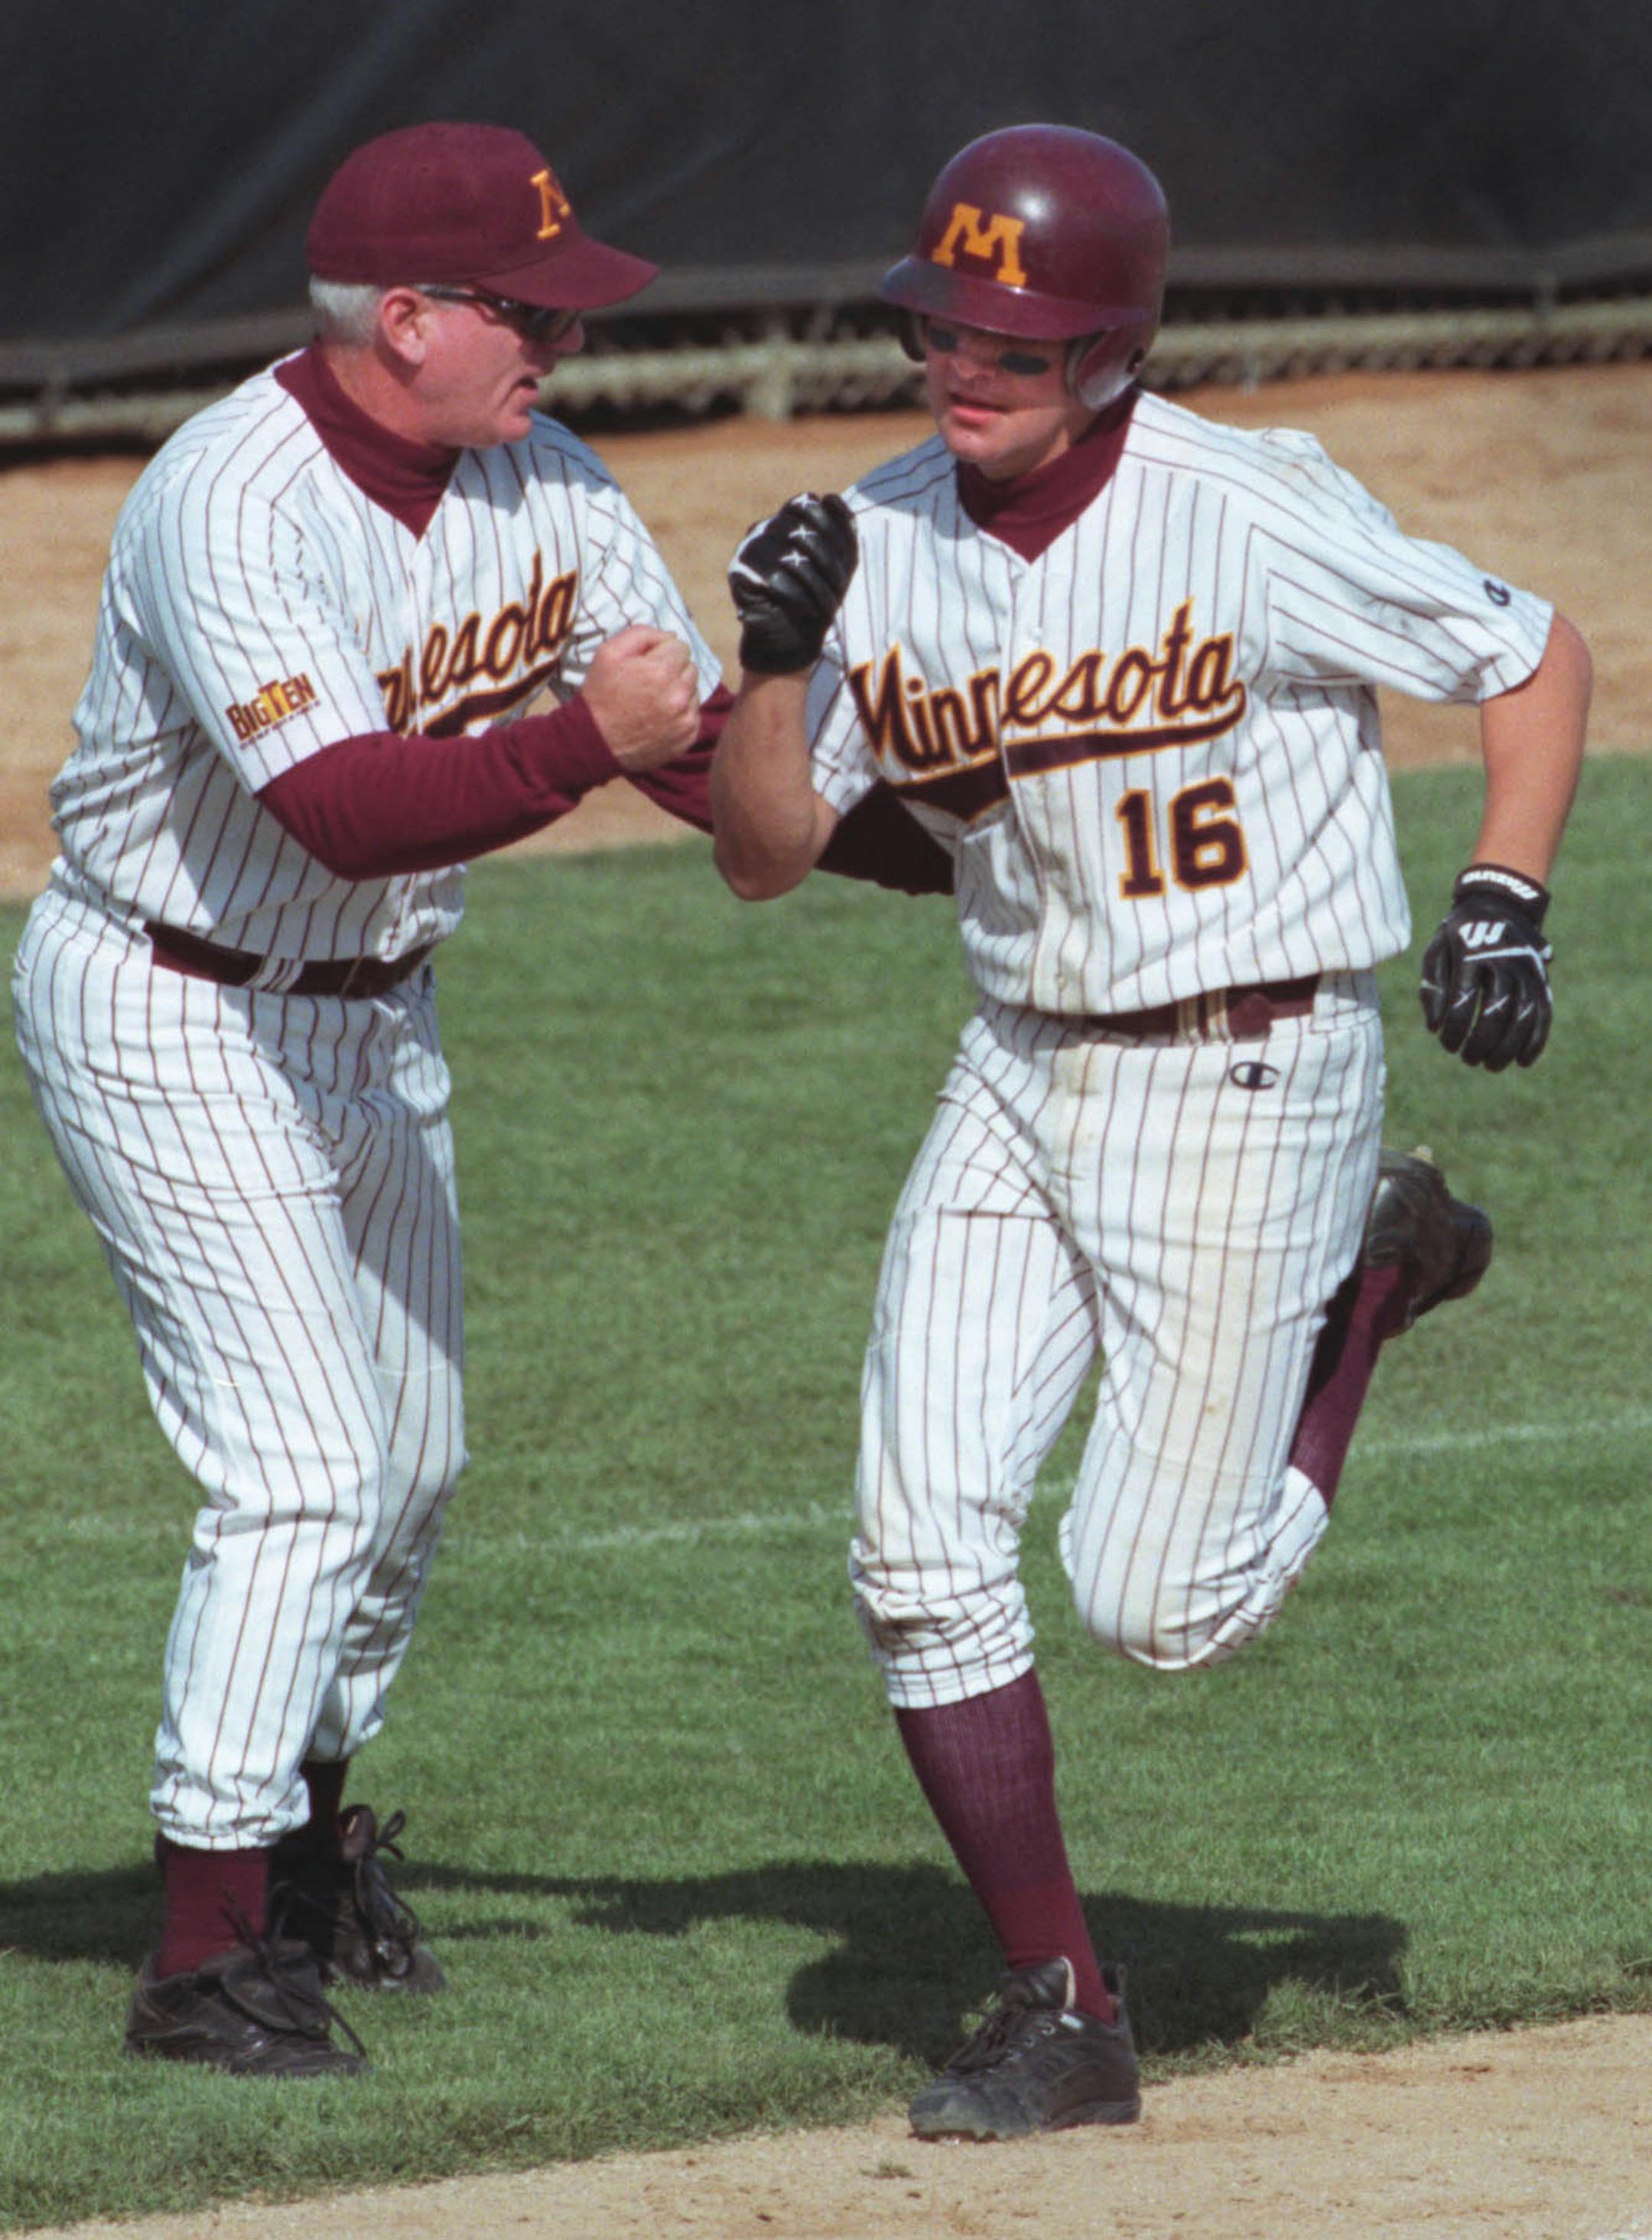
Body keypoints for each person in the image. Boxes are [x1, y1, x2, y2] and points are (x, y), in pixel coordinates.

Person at [11, 119, 948, 2081]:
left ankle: (298, 1845)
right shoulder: (229, 498)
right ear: (406, 318)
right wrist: (566, 747)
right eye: (526, 312)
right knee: (302, 1465)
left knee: (411, 1462)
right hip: (172, 1002)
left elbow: (689, 745)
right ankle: (203, 1953)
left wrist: (970, 866)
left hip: (372, 1013)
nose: (564, 344)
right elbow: (334, 809)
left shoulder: (538, 472)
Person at [711, 123, 1591, 2141]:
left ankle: (1373, 1271)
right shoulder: (879, 535)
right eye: (942, 330)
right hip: (1017, 1073)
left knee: (1161, 1608)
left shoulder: (1247, 505)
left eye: (1012, 344)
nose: (965, 369)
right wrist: (775, 661)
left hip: (1252, 1073)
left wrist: (1504, 893)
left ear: (1112, 351)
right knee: (915, 1541)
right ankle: (1067, 2014)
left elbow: (1530, 649)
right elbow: (767, 855)